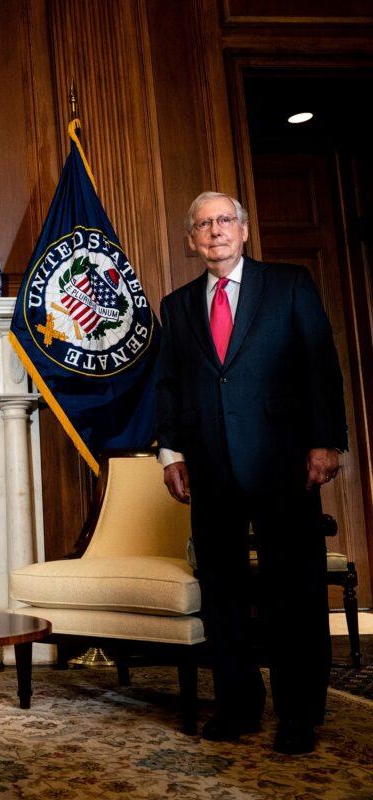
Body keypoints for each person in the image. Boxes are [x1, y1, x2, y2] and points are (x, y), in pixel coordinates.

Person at [155, 191, 347, 755]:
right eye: (203, 225)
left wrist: (326, 442)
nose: (214, 231)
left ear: (242, 231)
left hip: (284, 462)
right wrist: (171, 453)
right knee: (223, 594)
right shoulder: (178, 305)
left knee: (295, 590)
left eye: (223, 221)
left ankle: (299, 714)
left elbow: (321, 364)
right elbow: (169, 384)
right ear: (191, 241)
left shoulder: (288, 285)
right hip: (210, 469)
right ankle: (238, 705)